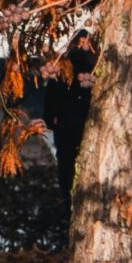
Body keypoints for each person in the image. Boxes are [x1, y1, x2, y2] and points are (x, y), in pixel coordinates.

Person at [43, 31, 96, 193]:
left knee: (66, 169)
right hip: (84, 125)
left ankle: (68, 201)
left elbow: (50, 99)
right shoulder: (93, 69)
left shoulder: (62, 68)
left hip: (65, 126)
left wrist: (52, 121)